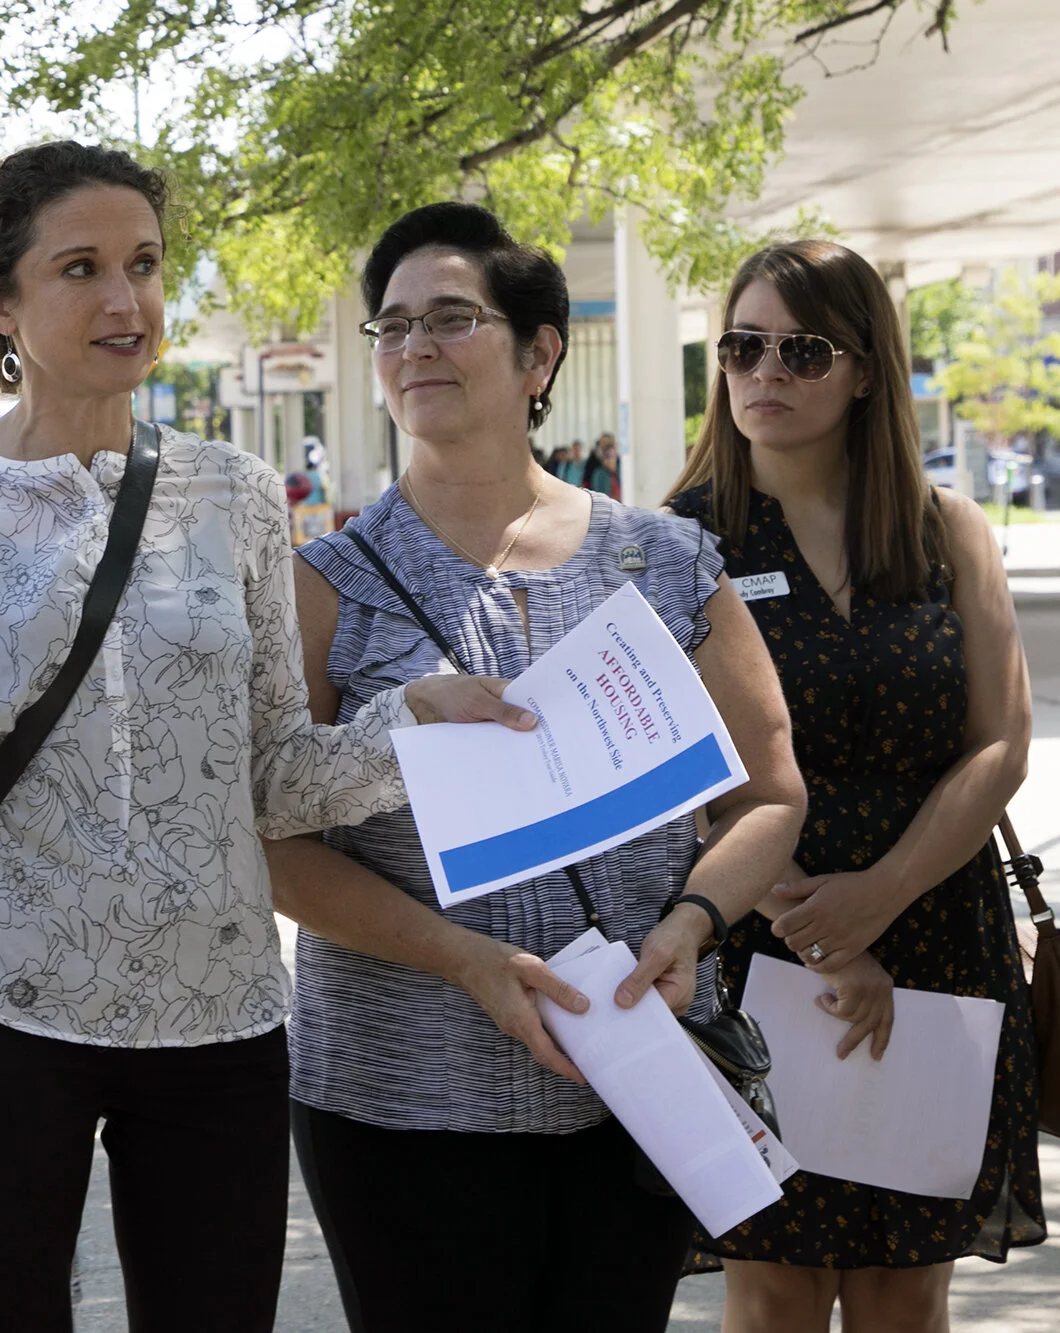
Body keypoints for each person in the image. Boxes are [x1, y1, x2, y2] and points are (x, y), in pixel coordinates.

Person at [0, 142, 423, 1333]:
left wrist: (416, 726)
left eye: (141, 264)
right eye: (78, 268)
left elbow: (274, 774)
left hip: (219, 1011)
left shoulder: (238, 493)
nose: (122, 300)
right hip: (0, 999)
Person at [261, 201, 808, 1331]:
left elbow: (768, 795)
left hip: (633, 1075)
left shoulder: (657, 559)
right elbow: (270, 840)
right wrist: (462, 960)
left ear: (538, 351)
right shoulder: (323, 582)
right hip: (395, 1093)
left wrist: (693, 925)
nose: (413, 346)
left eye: (451, 318)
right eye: (391, 326)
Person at [667, 240, 1043, 1329]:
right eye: (740, 346)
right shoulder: (674, 541)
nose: (762, 372)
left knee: (900, 1291)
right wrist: (817, 924)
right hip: (753, 939)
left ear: (865, 370)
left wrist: (876, 894)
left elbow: (999, 741)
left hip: (934, 936)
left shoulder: (944, 531)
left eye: (800, 349)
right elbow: (675, 771)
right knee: (774, 1286)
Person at [583, 431, 621, 497]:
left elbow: (613, 468)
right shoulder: (593, 457)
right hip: (596, 490)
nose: (603, 444)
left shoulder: (615, 456)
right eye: (602, 441)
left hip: (611, 489)